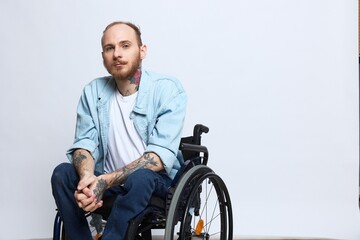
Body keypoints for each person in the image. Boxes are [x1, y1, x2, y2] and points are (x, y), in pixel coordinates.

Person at [51, 21, 187, 240]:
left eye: (125, 45)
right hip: (108, 183)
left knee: (142, 176)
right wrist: (88, 177)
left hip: (153, 185)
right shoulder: (93, 91)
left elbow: (158, 159)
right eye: (109, 48)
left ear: (142, 51)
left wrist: (106, 180)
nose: (117, 54)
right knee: (62, 173)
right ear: (103, 55)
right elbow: (84, 143)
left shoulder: (168, 90)